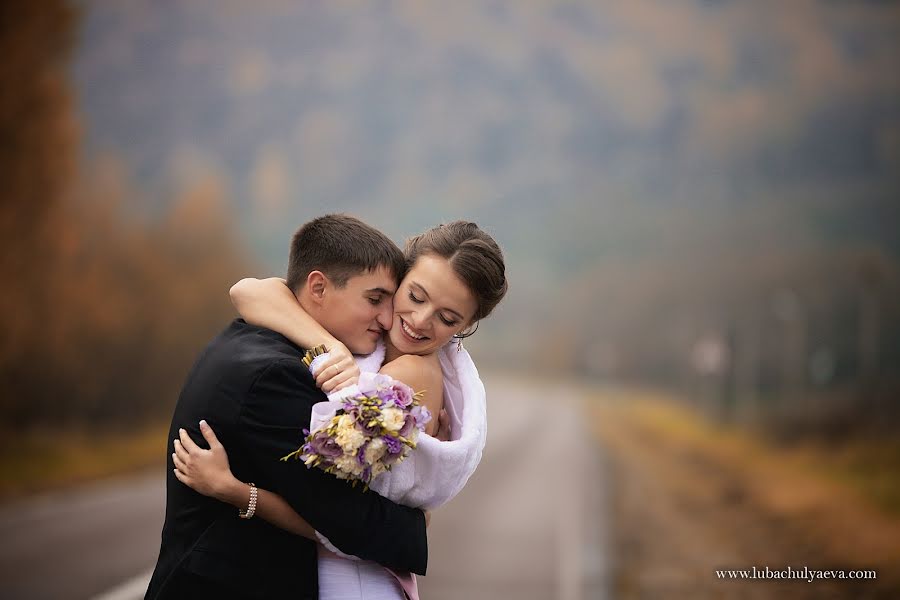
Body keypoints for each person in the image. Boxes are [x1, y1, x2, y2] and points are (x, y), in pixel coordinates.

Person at [172, 221, 508, 600]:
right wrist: (327, 347)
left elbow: (338, 516)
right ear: (400, 277)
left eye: (448, 319)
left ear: (466, 326)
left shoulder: (408, 377)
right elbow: (249, 291)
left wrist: (238, 492)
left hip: (354, 579)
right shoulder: (371, 343)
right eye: (414, 296)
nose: (420, 320)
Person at [145, 214, 428, 600]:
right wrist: (416, 522)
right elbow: (342, 518)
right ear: (318, 287)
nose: (387, 317)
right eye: (375, 299)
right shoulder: (276, 377)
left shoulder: (253, 336)